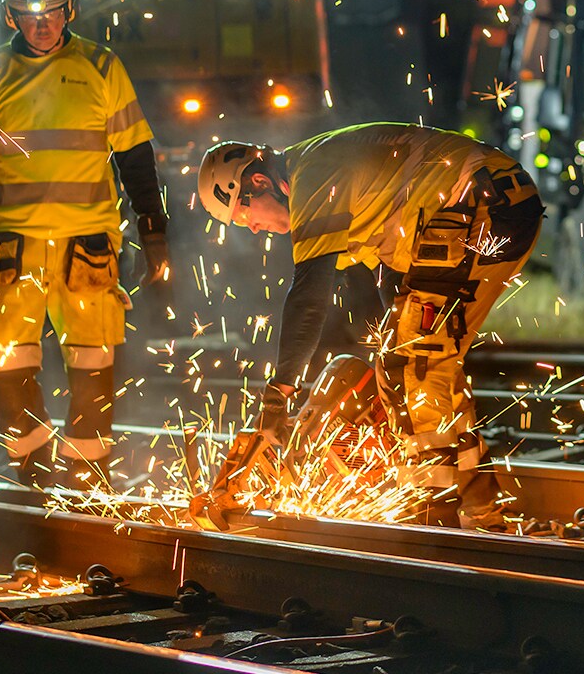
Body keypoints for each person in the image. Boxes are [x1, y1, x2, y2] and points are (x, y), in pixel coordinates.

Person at [197, 122, 543, 529]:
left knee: (413, 363)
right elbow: (390, 272)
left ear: (258, 181)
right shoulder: (325, 169)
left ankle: (435, 515)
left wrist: (279, 394)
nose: (253, 228)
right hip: (499, 205)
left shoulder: (312, 177)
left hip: (480, 205)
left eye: (243, 213)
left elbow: (309, 296)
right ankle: (480, 506)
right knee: (425, 361)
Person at [0, 0, 170, 488]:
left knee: (93, 364)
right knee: (5, 366)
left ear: (71, 9)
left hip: (87, 243)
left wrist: (154, 233)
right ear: (10, 15)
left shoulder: (102, 68)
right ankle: (35, 475)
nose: (43, 24)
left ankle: (85, 483)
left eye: (54, 12)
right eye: (31, 14)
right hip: (8, 245)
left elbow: (135, 158)